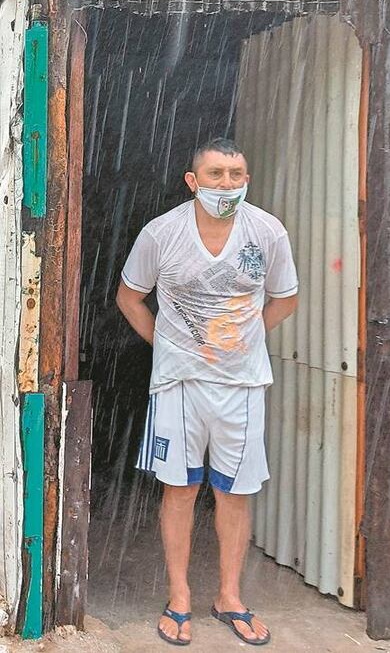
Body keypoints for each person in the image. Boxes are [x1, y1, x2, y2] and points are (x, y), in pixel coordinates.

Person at [116, 138, 299, 647]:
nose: (226, 184)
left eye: (236, 174)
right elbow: (129, 297)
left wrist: (243, 340)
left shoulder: (267, 232)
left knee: (234, 493)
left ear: (247, 180)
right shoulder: (163, 233)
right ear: (192, 182)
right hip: (178, 384)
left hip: (242, 384)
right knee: (180, 488)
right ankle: (179, 596)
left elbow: (285, 299)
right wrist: (168, 345)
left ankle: (229, 597)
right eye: (215, 174)